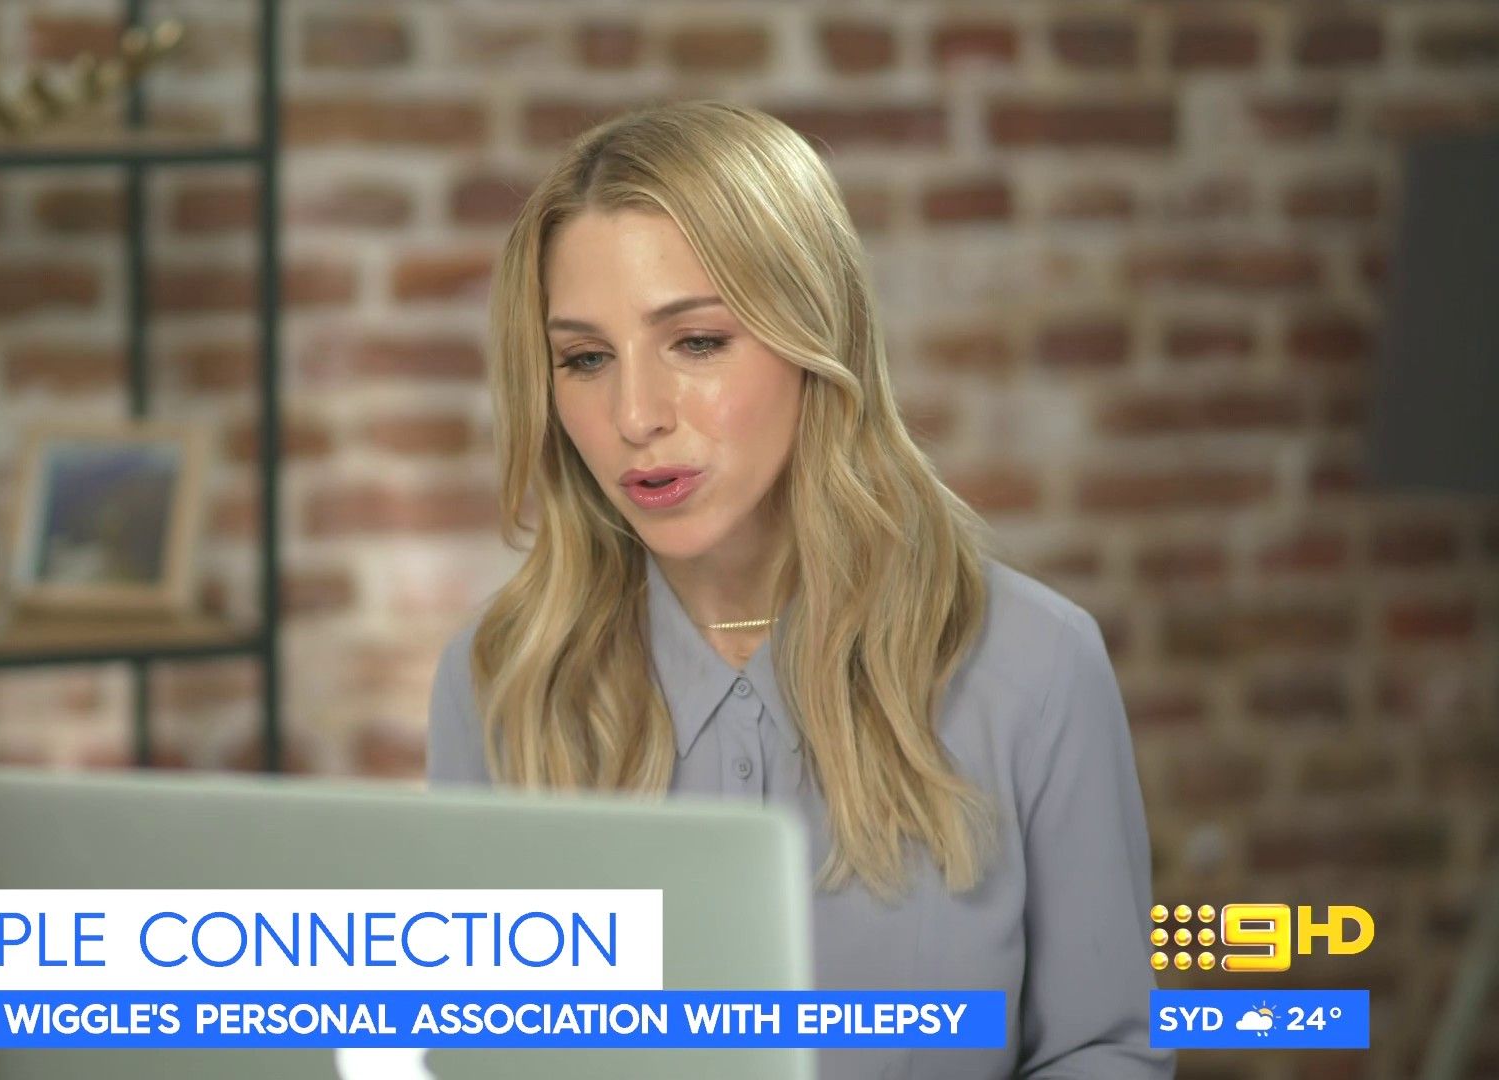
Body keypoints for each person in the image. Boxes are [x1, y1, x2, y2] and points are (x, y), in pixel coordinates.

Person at [424, 100, 1173, 1080]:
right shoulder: (499, 680)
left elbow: (1104, 1050)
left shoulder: (1034, 665)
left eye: (696, 341)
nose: (636, 415)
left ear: (814, 336)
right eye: (586, 359)